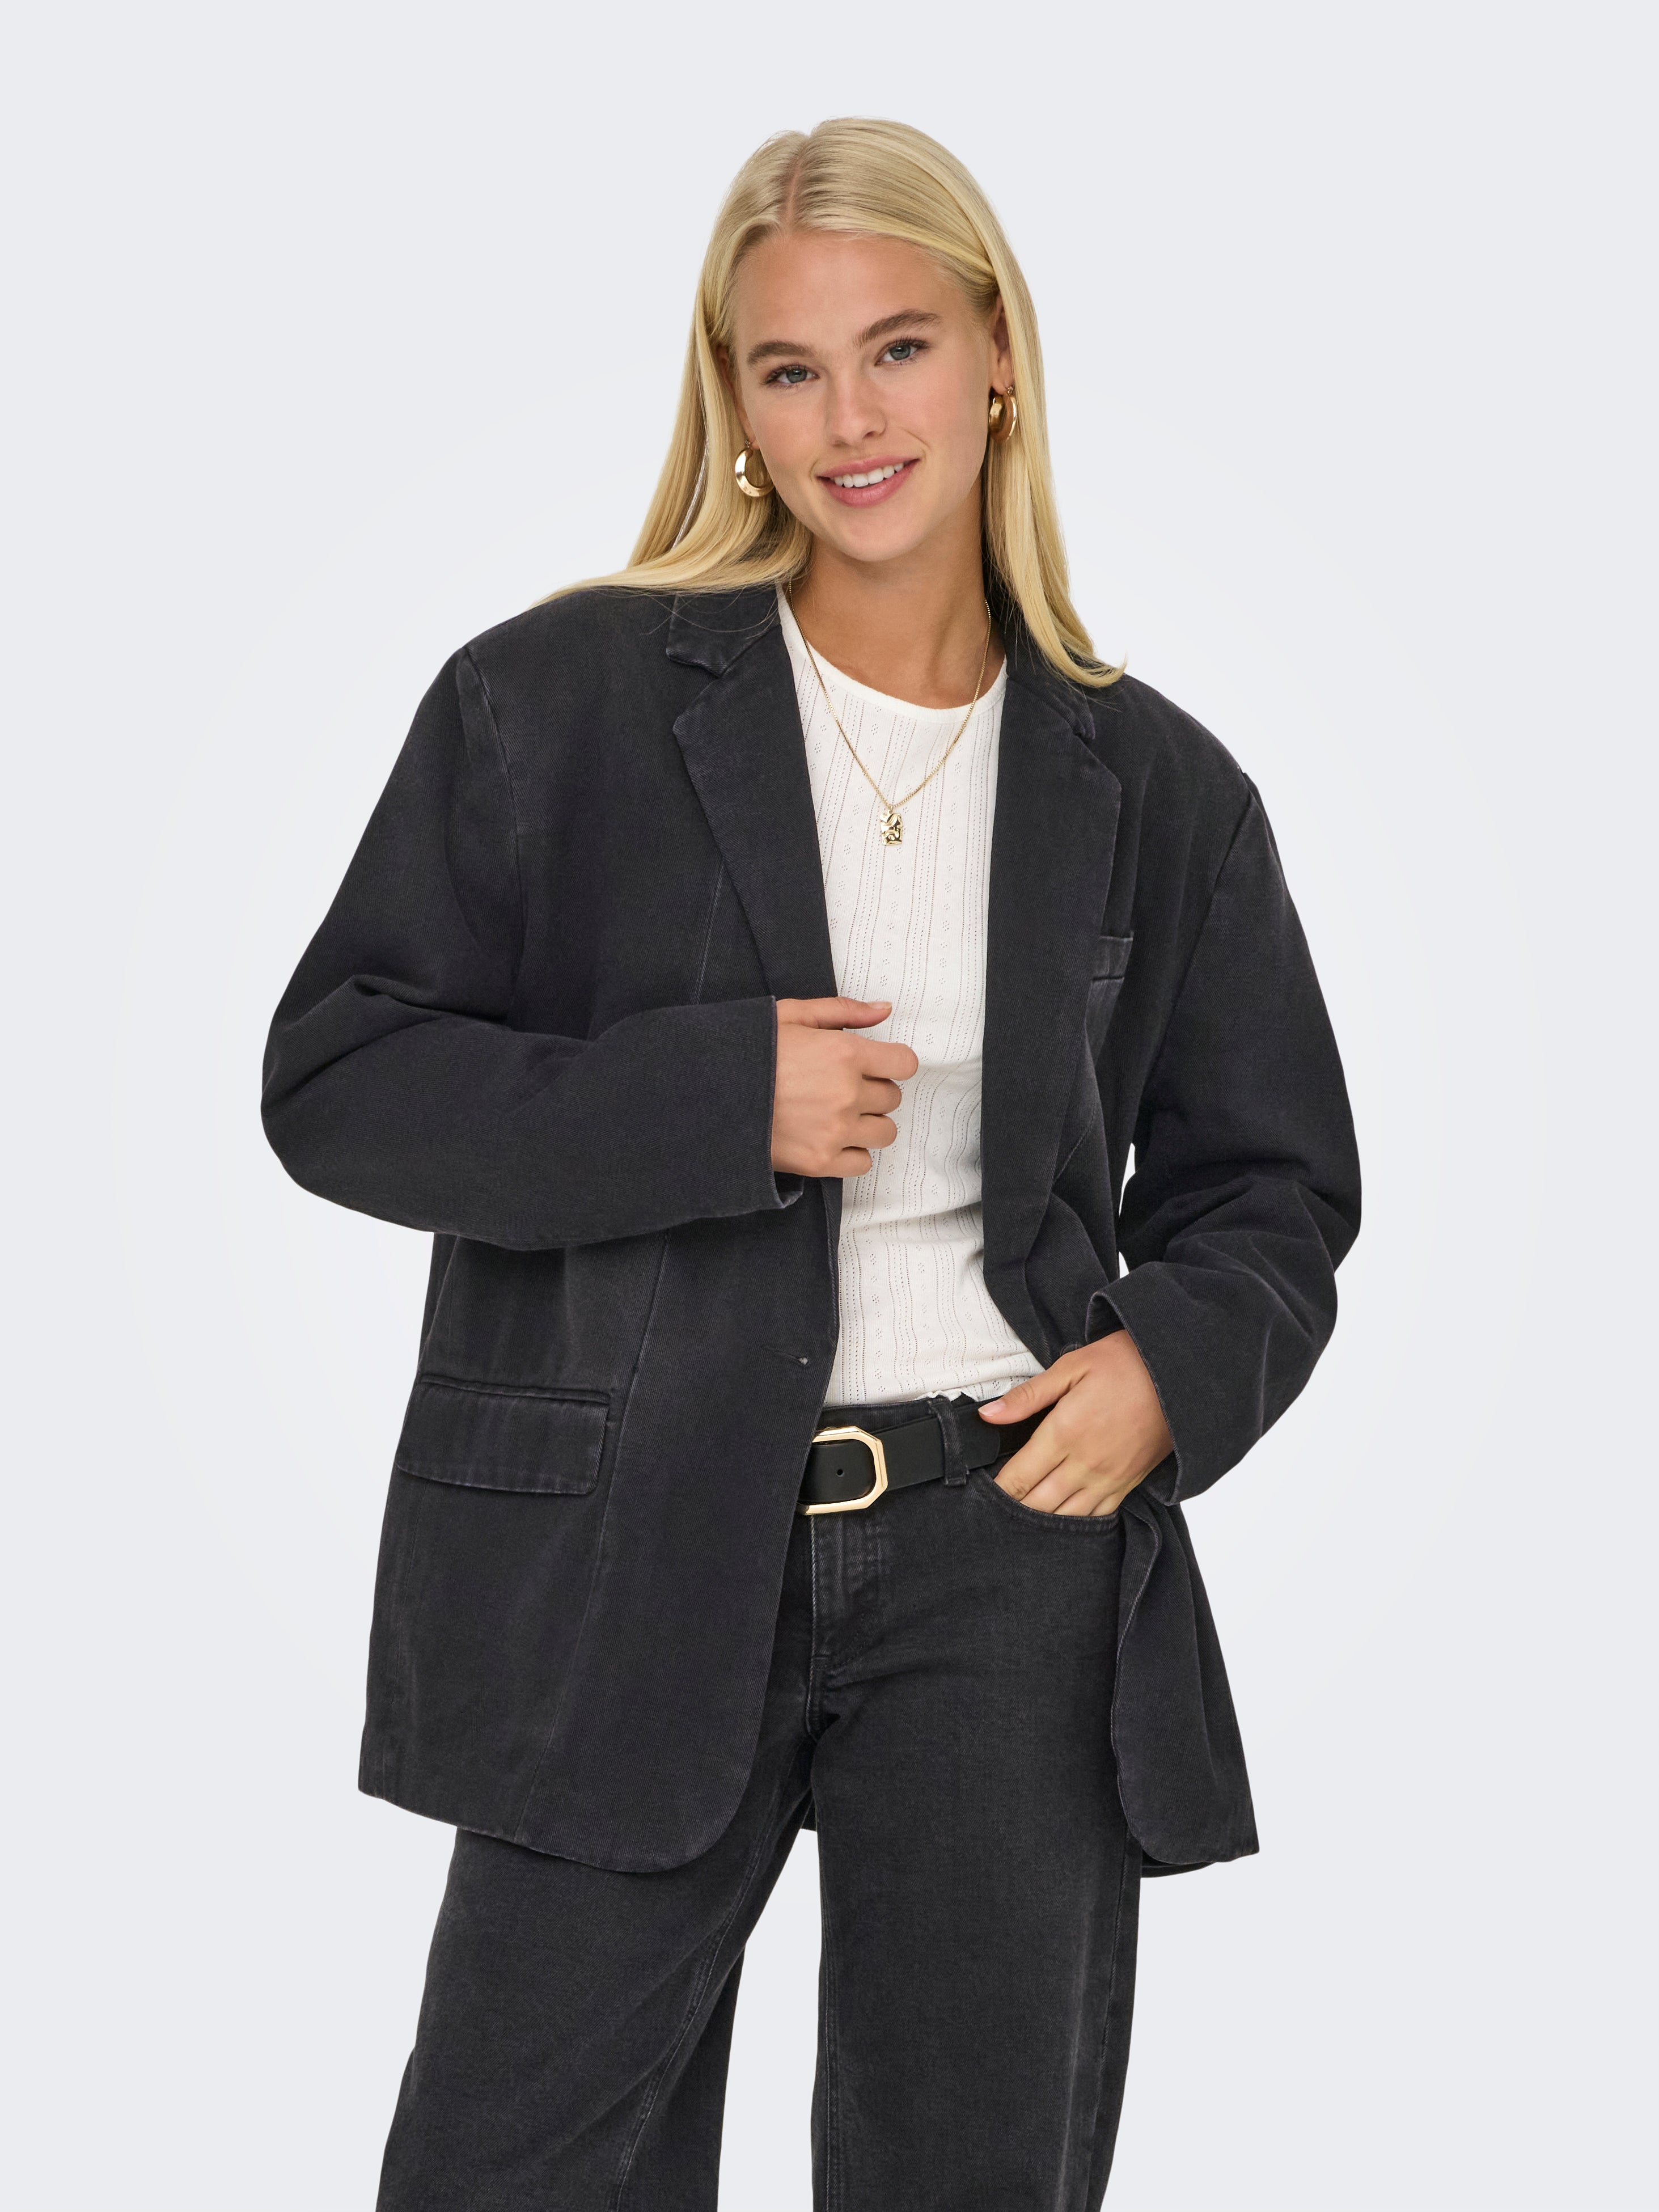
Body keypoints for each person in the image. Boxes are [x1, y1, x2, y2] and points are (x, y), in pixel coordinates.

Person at [263, 115, 1360, 2211]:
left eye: (900, 348)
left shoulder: (1156, 781)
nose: (852, 419)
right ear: (736, 402)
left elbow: (1274, 1183)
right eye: (791, 367)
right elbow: (340, 1077)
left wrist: (1173, 1369)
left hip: (1006, 1543)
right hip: (632, 1539)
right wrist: (701, 1102)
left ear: (998, 356)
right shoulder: (555, 700)